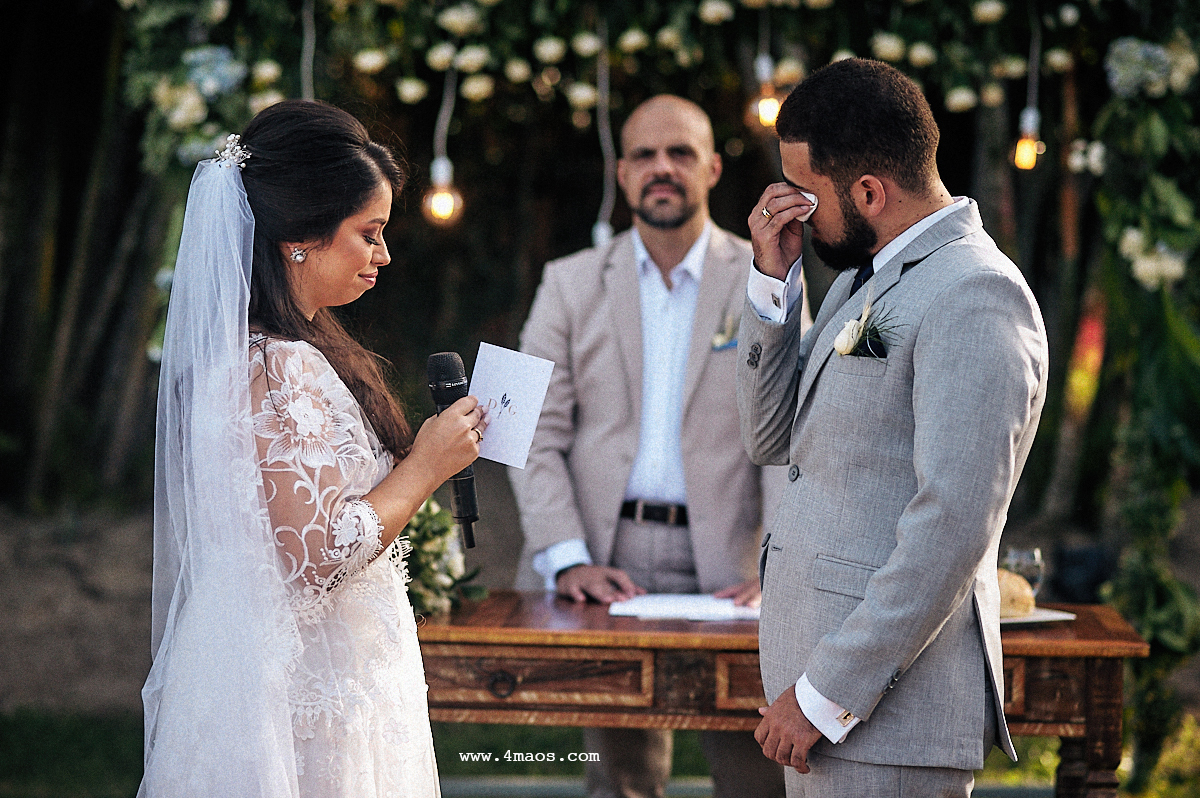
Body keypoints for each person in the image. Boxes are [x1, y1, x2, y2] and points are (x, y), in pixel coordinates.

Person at [139, 99, 487, 797]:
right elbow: (314, 553)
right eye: (370, 232)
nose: (384, 254)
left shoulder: (261, 354)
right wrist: (424, 466)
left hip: (290, 670)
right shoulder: (278, 366)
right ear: (299, 237)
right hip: (309, 694)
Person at [738, 58, 1048, 797]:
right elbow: (770, 438)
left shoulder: (977, 294)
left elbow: (951, 526)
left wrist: (823, 695)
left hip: (882, 719)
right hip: (827, 712)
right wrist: (772, 281)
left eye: (806, 197)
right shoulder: (861, 279)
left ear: (870, 191)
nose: (794, 212)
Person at [509, 94, 803, 798]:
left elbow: (789, 433)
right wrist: (567, 558)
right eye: (644, 155)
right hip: (609, 566)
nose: (661, 168)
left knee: (756, 781)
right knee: (620, 784)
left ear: (710, 167)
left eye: (679, 153)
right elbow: (532, 434)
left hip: (736, 568)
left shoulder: (766, 272)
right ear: (621, 172)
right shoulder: (568, 282)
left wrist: (778, 567)